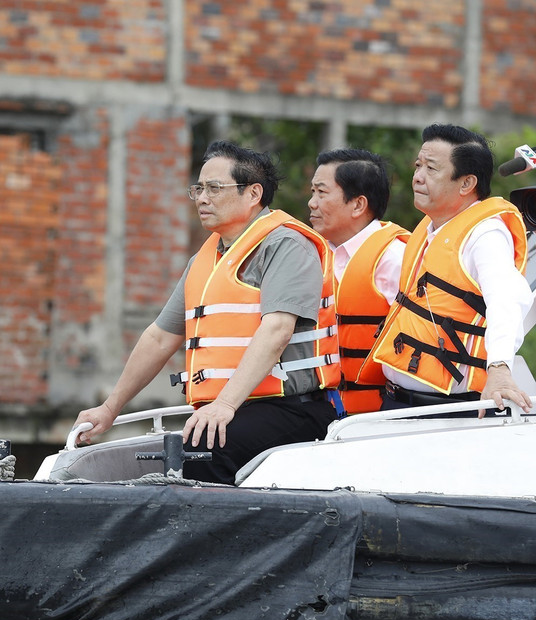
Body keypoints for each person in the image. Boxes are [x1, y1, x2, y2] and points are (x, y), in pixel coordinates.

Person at [73, 140, 340, 485]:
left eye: (214, 188)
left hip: (290, 407)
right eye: (198, 188)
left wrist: (224, 405)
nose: (201, 198)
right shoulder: (206, 260)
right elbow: (159, 337)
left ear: (253, 193)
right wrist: (110, 408)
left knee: (200, 451)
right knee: (186, 447)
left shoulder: (286, 245)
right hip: (229, 408)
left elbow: (277, 331)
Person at [357, 124, 534, 416]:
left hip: (452, 413)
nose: (418, 176)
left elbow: (507, 301)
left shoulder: (486, 234)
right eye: (418, 165)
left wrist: (500, 368)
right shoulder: (430, 228)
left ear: (466, 184)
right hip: (398, 404)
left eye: (431, 168)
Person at [308, 148, 409, 415]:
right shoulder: (310, 256)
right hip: (314, 414)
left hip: (377, 416)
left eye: (321, 192)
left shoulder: (394, 259)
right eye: (312, 192)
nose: (311, 203)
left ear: (358, 204)